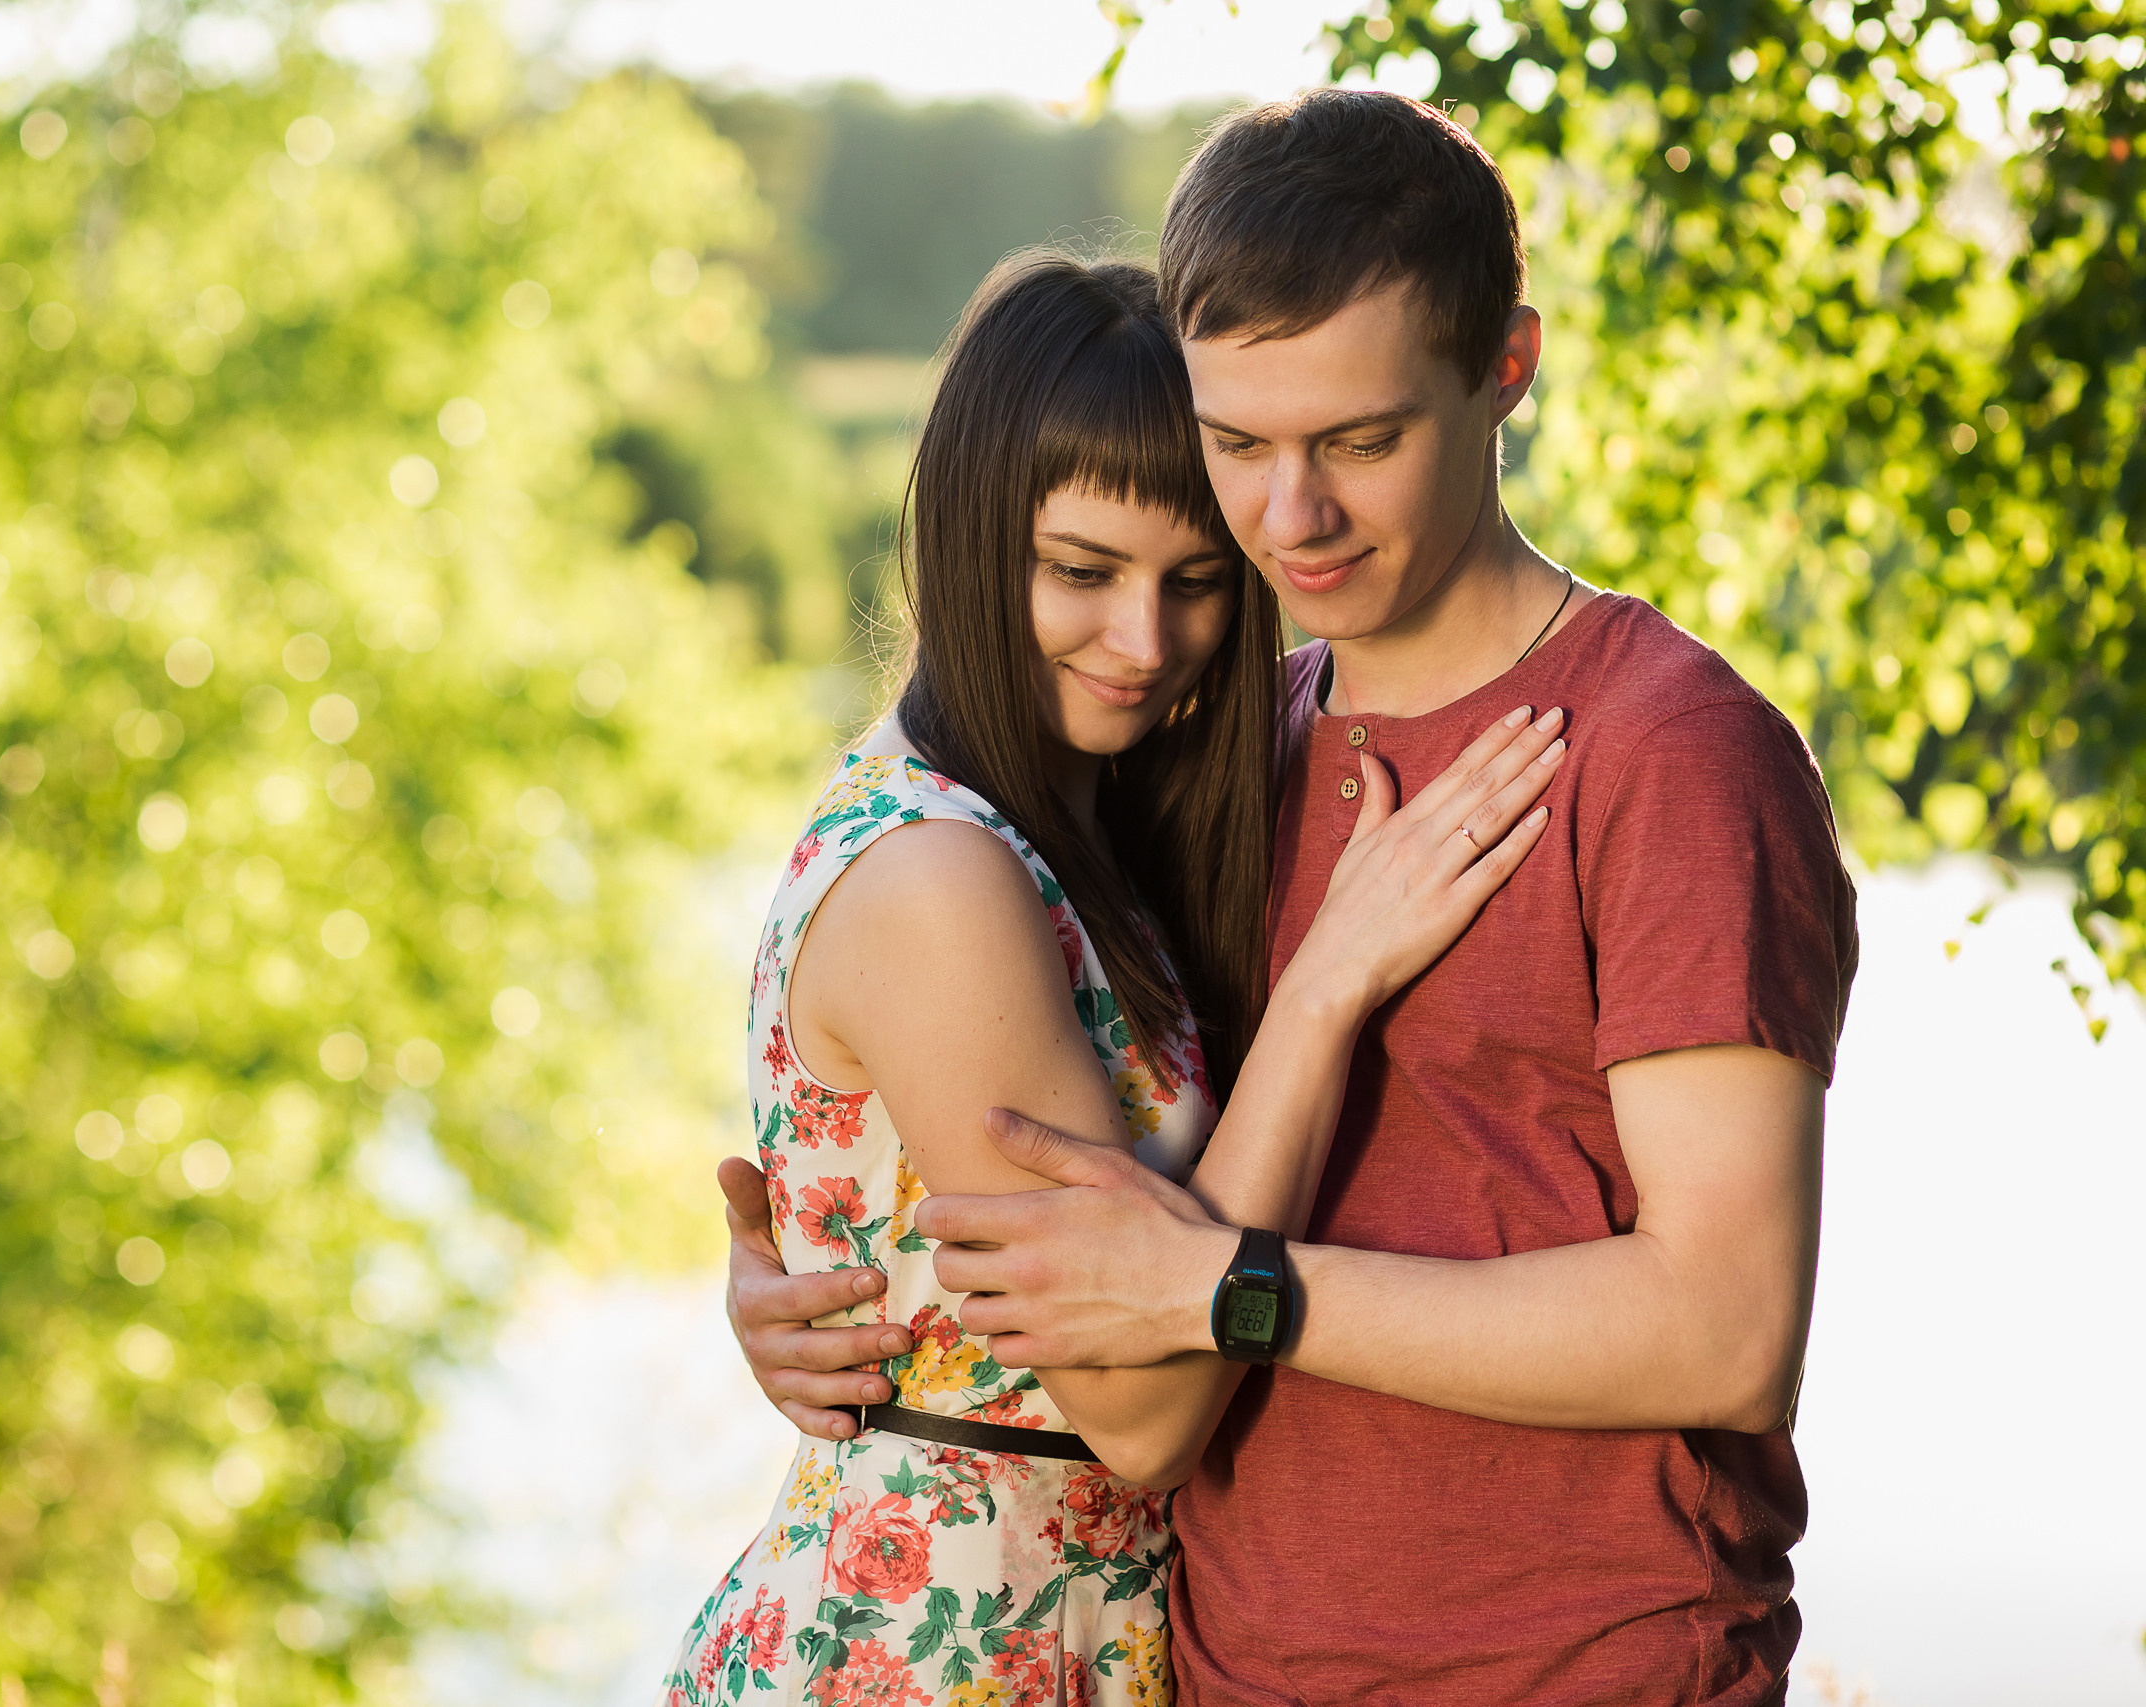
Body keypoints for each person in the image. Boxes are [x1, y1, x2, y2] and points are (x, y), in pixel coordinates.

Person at [724, 91, 1862, 1707]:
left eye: (1361, 441)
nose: (1289, 517)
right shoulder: (1214, 741)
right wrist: (829, 1306)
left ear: (1506, 371)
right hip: (1217, 1670)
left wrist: (1232, 1289)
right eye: (1239, 445)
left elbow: (1725, 1328)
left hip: (1575, 1672)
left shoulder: (1666, 754)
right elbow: (1010, 1098)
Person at [669, 249, 1568, 1706]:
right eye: (1081, 572)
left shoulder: (1081, 820)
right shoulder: (939, 877)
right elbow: (1140, 1414)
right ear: (971, 530)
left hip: (1073, 1628)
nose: (1145, 644)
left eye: (1197, 584)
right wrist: (1328, 987)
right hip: (934, 1652)